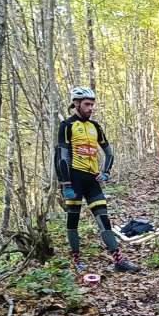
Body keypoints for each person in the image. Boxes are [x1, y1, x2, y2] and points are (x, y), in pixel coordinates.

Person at [56, 86, 140, 272]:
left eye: (92, 104)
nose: (90, 108)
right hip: (74, 179)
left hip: (92, 181)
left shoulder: (95, 127)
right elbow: (61, 156)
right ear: (76, 104)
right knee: (73, 221)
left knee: (103, 218)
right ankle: (76, 261)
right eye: (87, 104)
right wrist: (65, 183)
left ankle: (118, 260)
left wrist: (106, 172)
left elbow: (108, 152)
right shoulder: (67, 126)